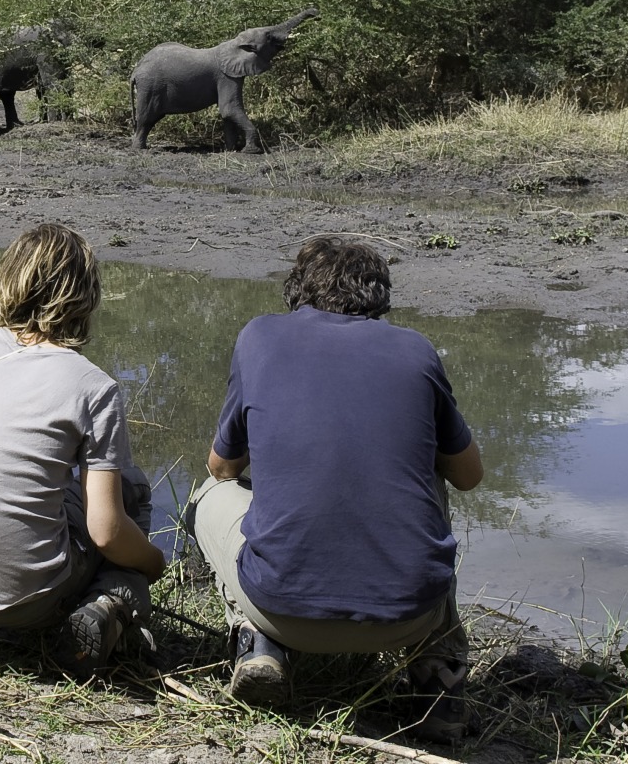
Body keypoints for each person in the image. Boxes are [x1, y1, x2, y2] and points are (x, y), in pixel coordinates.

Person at [186, 235, 483, 742]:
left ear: (298, 291)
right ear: (379, 297)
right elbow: (468, 474)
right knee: (432, 480)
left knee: (205, 496)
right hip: (409, 615)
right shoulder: (416, 350)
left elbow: (221, 466)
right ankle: (437, 673)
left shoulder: (259, 337)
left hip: (277, 608)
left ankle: (259, 645)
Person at [0, 223, 166, 680]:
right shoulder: (93, 385)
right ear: (85, 296)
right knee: (130, 489)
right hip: (27, 603)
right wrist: (153, 563)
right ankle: (110, 603)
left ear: (7, 281)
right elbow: (107, 532)